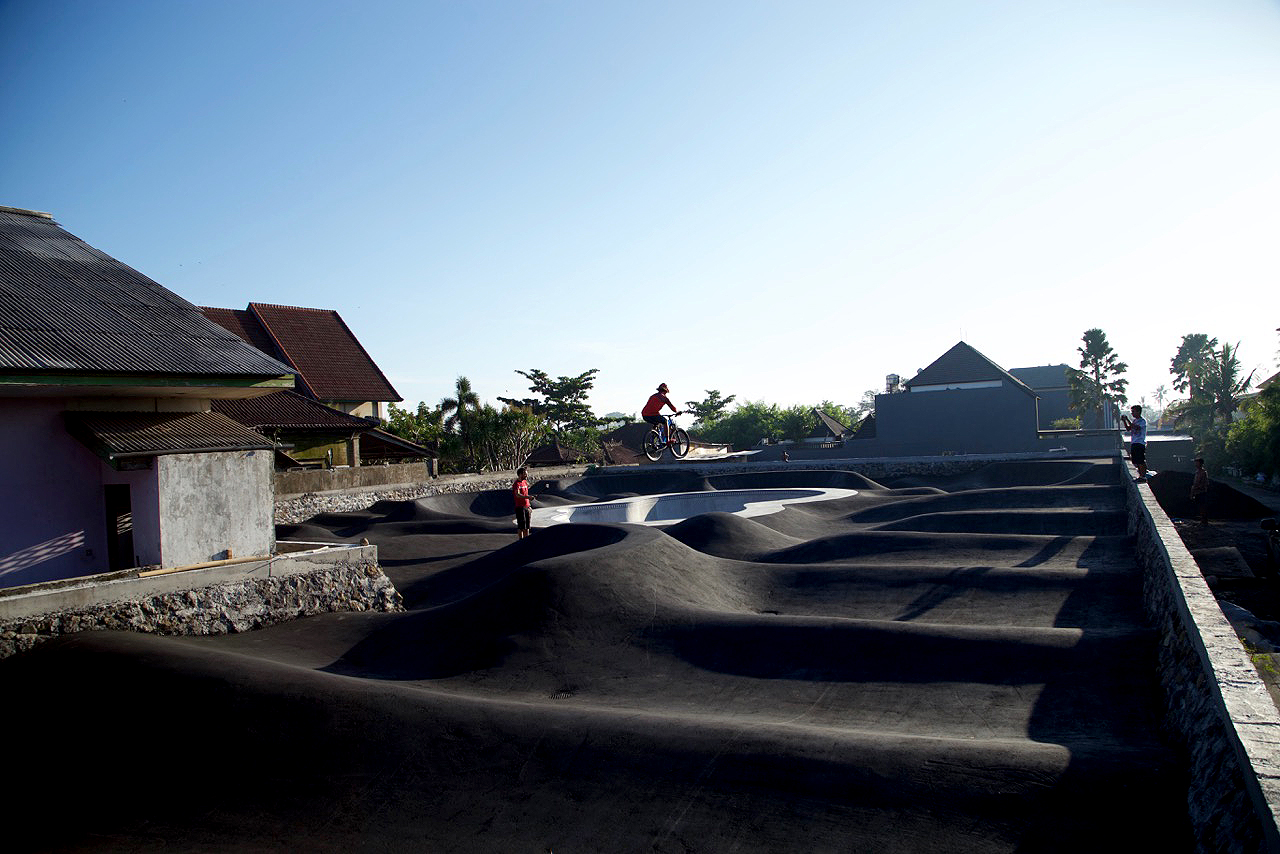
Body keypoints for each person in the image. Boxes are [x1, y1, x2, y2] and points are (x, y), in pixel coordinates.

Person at [1120, 404, 1148, 481]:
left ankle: (1143, 476)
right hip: (1134, 442)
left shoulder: (1142, 421)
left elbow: (1136, 427)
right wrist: (1124, 421)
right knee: (1136, 460)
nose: (1132, 413)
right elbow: (1129, 428)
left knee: (1140, 460)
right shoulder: (1135, 421)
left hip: (1140, 442)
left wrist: (1127, 419)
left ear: (1138, 412)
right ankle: (1140, 475)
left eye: (1133, 412)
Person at [512, 466, 533, 539]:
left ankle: (527, 540)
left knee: (527, 526)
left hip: (527, 507)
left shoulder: (525, 482)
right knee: (521, 526)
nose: (526, 475)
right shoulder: (516, 484)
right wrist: (528, 497)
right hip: (520, 507)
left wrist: (529, 506)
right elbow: (517, 495)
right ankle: (521, 540)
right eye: (525, 474)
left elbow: (526, 494)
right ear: (520, 474)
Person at [1191, 457, 1210, 526]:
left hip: (1201, 492)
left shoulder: (1203, 473)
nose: (1196, 464)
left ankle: (1204, 521)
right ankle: (1202, 520)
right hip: (1197, 492)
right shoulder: (1197, 472)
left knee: (1202, 507)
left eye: (1197, 463)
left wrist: (1197, 488)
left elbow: (1205, 483)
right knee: (1199, 507)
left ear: (1201, 464)